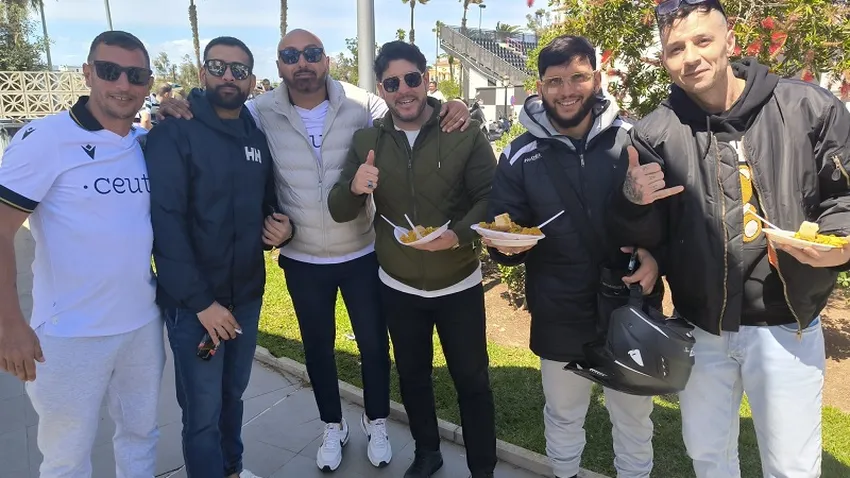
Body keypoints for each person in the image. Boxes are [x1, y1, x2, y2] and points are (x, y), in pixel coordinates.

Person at [156, 28, 471, 472]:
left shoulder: (361, 102)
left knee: (373, 347)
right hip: (303, 259)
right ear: (278, 66)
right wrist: (173, 105)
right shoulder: (258, 112)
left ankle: (376, 421)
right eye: (290, 55)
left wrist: (451, 105)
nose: (301, 62)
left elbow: (408, 103)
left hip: (361, 252)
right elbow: (221, 125)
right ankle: (331, 425)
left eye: (311, 53)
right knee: (318, 350)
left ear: (326, 60)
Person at [608, 1, 850, 476]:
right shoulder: (654, 132)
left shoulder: (808, 107)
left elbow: (842, 195)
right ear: (664, 58)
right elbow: (643, 232)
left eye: (703, 40)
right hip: (701, 326)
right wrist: (633, 203)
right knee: (709, 458)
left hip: (786, 323)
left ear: (730, 41)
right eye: (676, 48)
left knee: (793, 467)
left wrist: (838, 241)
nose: (691, 57)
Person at [485, 35, 659, 478]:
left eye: (578, 77)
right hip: (558, 307)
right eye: (555, 81)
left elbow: (668, 218)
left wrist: (656, 257)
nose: (567, 91)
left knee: (634, 418)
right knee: (563, 414)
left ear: (596, 79)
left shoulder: (633, 140)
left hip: (629, 305)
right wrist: (503, 247)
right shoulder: (519, 154)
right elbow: (505, 224)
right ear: (540, 87)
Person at [328, 40, 497, 478]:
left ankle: (483, 468)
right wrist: (355, 187)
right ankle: (427, 453)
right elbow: (339, 210)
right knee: (413, 376)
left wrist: (457, 236)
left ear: (426, 79)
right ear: (381, 90)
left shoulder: (462, 130)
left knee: (472, 381)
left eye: (411, 79)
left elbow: (490, 196)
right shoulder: (367, 140)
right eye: (391, 83)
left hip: (458, 282)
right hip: (399, 285)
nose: (403, 90)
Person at [0, 31, 165, 477]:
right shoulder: (46, 138)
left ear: (148, 83)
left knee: (140, 437)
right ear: (88, 73)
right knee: (67, 457)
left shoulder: (143, 143)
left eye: (136, 76)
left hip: (142, 326)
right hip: (69, 334)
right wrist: (9, 323)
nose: (123, 84)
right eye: (110, 71)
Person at [144, 36, 291, 478]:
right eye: (218, 66)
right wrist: (201, 303)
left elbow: (266, 206)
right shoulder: (173, 131)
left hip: (245, 296)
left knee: (233, 396)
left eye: (239, 70)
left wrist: (281, 229)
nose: (229, 76)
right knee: (202, 411)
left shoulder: (255, 137)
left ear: (251, 80)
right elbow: (165, 226)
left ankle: (232, 468)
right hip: (194, 306)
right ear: (202, 72)